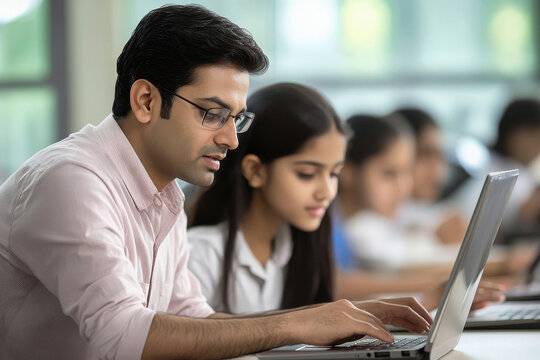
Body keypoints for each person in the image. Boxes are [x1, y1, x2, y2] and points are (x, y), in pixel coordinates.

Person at [0, 5, 433, 360]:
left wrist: (333, 319)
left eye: (236, 118)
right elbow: (124, 337)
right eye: (212, 114)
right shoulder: (71, 180)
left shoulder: (164, 194)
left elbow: (194, 320)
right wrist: (295, 324)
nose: (230, 139)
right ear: (146, 100)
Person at [392, 107, 468, 245]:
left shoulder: (435, 215)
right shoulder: (370, 224)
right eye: (425, 154)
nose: (437, 168)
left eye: (441, 156)